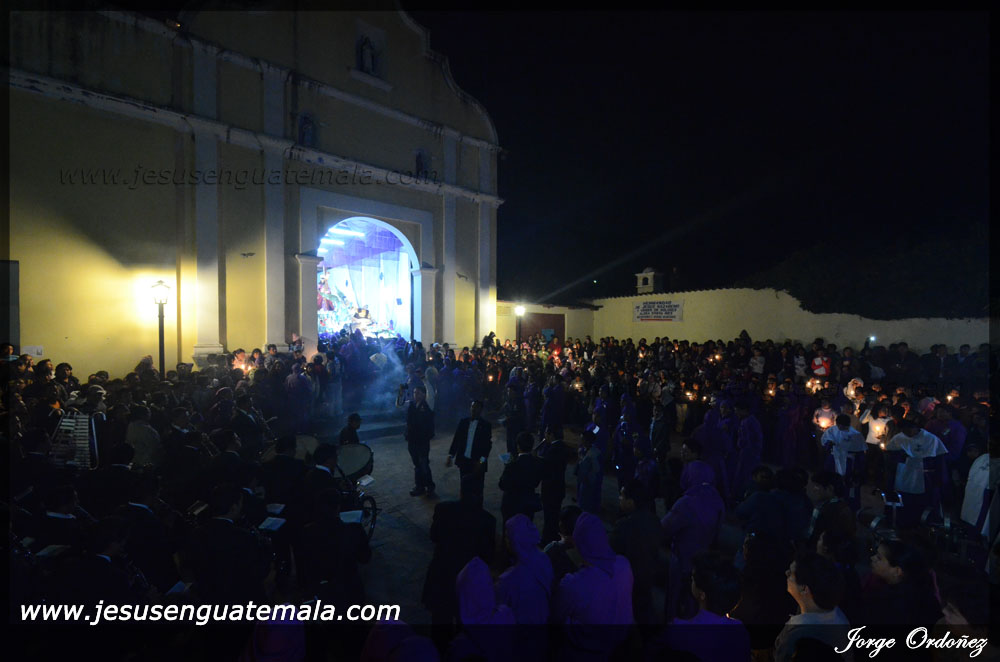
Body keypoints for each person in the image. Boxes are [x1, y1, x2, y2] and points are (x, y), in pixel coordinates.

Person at [422, 475, 497, 640]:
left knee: (440, 627)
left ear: (461, 492)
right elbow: (488, 556)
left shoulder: (443, 509)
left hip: (442, 575)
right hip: (469, 580)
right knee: (466, 628)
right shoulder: (488, 520)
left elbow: (434, 536)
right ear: (480, 495)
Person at [552, 512, 634, 660]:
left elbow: (556, 616)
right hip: (620, 643)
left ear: (578, 543)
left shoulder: (573, 584)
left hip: (586, 650)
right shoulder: (624, 563)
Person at [652, 552, 751, 661]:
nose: (691, 581)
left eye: (693, 578)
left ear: (702, 594)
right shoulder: (740, 631)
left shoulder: (677, 630)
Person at [773, 552, 851, 662]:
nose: (786, 573)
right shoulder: (836, 614)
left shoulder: (799, 639)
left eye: (791, 573)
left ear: (804, 589)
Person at [610, 478, 663, 626]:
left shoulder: (624, 527)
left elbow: (611, 553)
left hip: (629, 578)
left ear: (631, 502)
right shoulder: (654, 521)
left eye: (622, 496)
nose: (619, 498)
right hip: (648, 574)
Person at [495, 515, 553, 626]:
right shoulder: (544, 559)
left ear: (515, 541)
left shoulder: (507, 580)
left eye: (508, 537)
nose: (505, 541)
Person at [446, 400, 492, 502]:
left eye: (476, 407)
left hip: (477, 462)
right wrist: (450, 455)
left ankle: (477, 508)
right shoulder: (463, 422)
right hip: (464, 461)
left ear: (481, 410)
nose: (473, 409)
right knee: (464, 486)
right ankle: (464, 506)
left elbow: (487, 447)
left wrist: (481, 462)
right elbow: (456, 439)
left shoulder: (486, 425)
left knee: (478, 489)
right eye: (472, 407)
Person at [498, 432, 543, 523]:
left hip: (512, 505)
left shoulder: (512, 465)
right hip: (528, 504)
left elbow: (502, 484)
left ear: (518, 446)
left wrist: (507, 466)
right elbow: (536, 483)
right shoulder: (536, 463)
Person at [535, 426, 568, 544]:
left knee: (549, 515)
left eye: (546, 433)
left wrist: (536, 458)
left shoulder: (553, 449)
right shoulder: (561, 446)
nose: (545, 436)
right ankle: (554, 536)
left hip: (551, 489)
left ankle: (547, 539)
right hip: (559, 487)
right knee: (554, 514)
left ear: (551, 434)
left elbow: (546, 467)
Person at [405, 386, 436, 497]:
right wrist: (401, 393)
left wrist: (424, 380)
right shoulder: (411, 405)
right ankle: (420, 486)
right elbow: (399, 404)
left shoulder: (428, 404)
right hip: (412, 439)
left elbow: (430, 393)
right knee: (417, 464)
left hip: (422, 440)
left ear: (423, 394)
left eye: (418, 393)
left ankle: (429, 486)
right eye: (414, 392)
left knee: (423, 463)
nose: (415, 395)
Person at [575, 429, 603, 514]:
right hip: (583, 480)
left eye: (582, 439)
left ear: (587, 441)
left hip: (589, 482)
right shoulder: (583, 450)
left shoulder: (594, 453)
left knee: (588, 503)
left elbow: (596, 469)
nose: (580, 441)